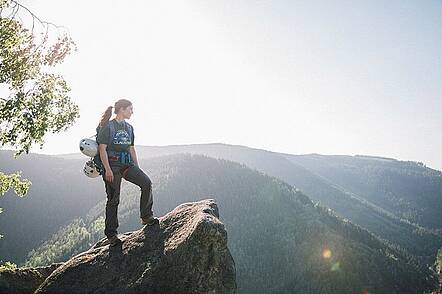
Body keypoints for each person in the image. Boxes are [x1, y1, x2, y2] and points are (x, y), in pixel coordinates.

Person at [97, 98, 158, 246]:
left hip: (126, 164)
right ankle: (111, 235)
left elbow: (131, 148)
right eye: (130, 109)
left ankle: (146, 216)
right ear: (122, 110)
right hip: (112, 166)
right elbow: (102, 149)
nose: (132, 112)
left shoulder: (129, 128)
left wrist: (137, 167)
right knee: (113, 199)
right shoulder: (108, 127)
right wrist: (108, 170)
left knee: (146, 182)